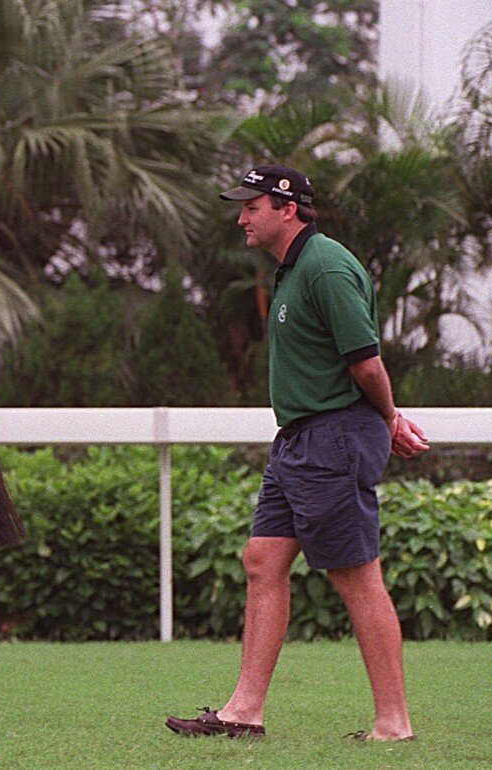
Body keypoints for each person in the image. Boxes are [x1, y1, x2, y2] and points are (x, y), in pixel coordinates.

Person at [166, 164, 429, 742]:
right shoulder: (292, 271)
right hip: (299, 441)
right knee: (262, 560)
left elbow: (366, 362)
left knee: (357, 576)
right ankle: (243, 711)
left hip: (332, 437)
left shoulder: (326, 266)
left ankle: (394, 722)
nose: (241, 218)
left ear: (287, 208)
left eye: (251, 207)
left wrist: (389, 419)